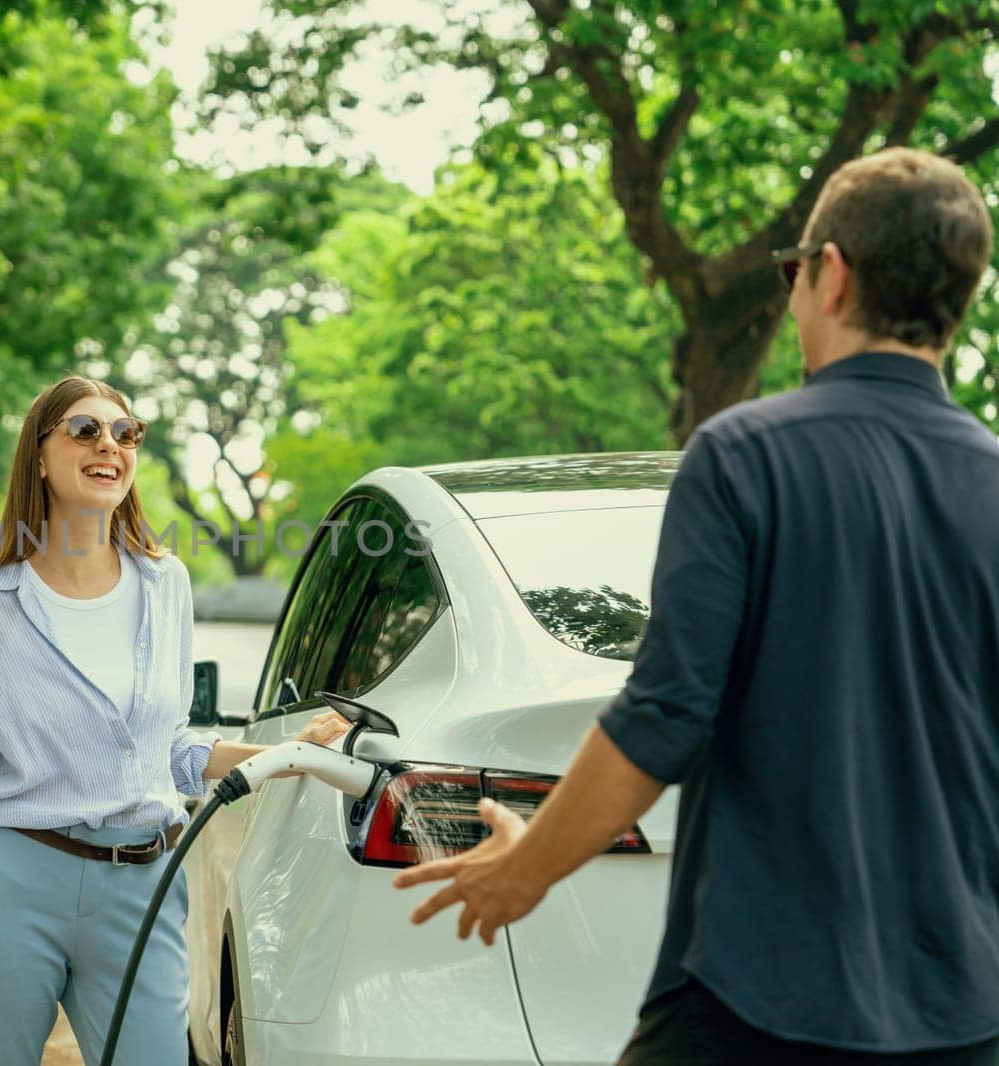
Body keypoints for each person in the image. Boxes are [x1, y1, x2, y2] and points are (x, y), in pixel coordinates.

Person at [392, 146, 999, 1065]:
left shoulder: (746, 457)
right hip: (964, 1014)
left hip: (759, 1001)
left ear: (829, 275)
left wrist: (523, 872)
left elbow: (667, 715)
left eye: (794, 271)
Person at [0, 375, 351, 1065]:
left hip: (144, 882)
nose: (109, 445)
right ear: (40, 456)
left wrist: (283, 750)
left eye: (125, 432)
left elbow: (166, 751)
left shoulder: (164, 584)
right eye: (85, 430)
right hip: (14, 883)